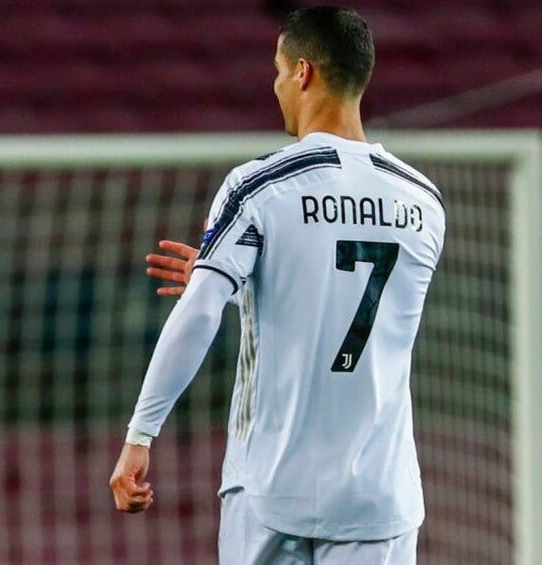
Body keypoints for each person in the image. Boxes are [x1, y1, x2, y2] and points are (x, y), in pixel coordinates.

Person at [109, 6, 445, 564]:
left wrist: (140, 433)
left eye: (277, 69)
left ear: (303, 73)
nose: (275, 85)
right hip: (379, 496)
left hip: (272, 483)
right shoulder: (423, 202)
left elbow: (198, 314)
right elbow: (353, 310)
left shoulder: (261, 185)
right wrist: (251, 281)